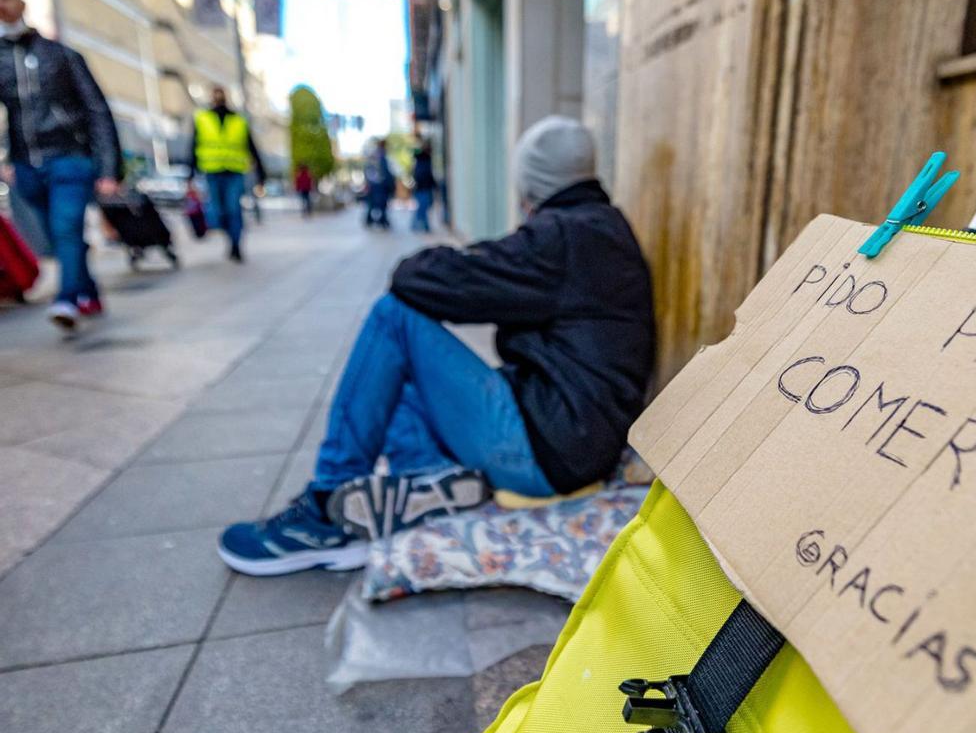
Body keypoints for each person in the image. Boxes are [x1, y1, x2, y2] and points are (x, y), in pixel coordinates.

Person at [217, 116, 656, 576]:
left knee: (394, 318)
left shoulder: (563, 238)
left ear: (531, 182)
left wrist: (477, 254)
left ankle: (328, 510)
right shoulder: (598, 228)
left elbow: (417, 279)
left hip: (551, 449)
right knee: (395, 374)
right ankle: (428, 480)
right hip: (574, 441)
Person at [0, 0, 121, 331]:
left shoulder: (61, 55)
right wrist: (5, 161)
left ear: (21, 1)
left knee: (66, 228)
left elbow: (97, 110)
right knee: (58, 236)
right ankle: (88, 290)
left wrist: (109, 168)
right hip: (26, 165)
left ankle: (66, 299)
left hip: (70, 158)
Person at [189, 85, 265, 262]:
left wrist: (261, 173)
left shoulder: (239, 120)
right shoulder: (202, 118)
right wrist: (190, 174)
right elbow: (193, 146)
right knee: (216, 213)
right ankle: (230, 236)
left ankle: (236, 245)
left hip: (234, 172)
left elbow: (251, 147)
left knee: (233, 209)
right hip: (212, 172)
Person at [362, 138, 395, 229]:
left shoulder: (373, 155)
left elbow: (368, 171)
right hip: (380, 185)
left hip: (374, 185)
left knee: (373, 204)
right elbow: (385, 172)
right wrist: (390, 184)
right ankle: (381, 221)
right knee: (381, 204)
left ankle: (374, 220)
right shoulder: (381, 156)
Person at [411, 141, 437, 232]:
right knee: (423, 207)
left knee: (423, 207)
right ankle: (421, 226)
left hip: (423, 187)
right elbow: (424, 175)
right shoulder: (423, 160)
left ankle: (421, 225)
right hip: (422, 187)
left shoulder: (423, 160)